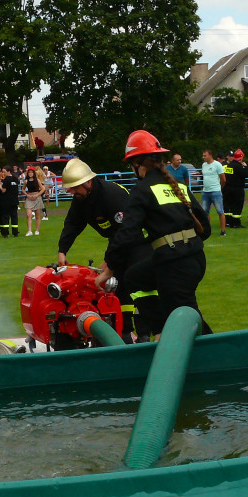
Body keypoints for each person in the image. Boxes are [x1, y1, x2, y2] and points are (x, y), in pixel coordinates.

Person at [99, 130, 212, 335]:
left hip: (175, 265)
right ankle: (160, 330)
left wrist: (109, 267)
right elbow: (205, 227)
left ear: (137, 163)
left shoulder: (142, 189)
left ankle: (220, 357)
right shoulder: (177, 186)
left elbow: (127, 233)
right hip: (194, 259)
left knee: (185, 321)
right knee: (135, 277)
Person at [57, 157, 156, 342]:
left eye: (74, 187)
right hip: (119, 241)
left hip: (140, 242)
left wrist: (109, 262)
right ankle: (125, 331)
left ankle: (144, 335)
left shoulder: (112, 195)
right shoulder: (81, 198)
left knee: (139, 288)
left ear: (87, 182)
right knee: (118, 288)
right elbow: (72, 224)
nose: (71, 192)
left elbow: (125, 233)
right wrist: (62, 250)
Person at [222, 148, 248, 228]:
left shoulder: (229, 165)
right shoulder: (239, 166)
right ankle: (236, 223)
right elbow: (246, 174)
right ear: (241, 157)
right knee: (238, 206)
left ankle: (230, 222)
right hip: (237, 189)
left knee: (230, 206)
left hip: (228, 188)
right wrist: (246, 167)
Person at [200, 148, 226, 235]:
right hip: (205, 191)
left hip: (215, 191)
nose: (203, 157)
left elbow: (223, 179)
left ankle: (223, 230)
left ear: (210, 155)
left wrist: (219, 187)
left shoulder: (217, 165)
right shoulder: (204, 165)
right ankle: (207, 230)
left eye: (205, 155)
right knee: (205, 212)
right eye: (203, 155)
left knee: (220, 211)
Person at [23, 166, 45, 236]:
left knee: (37, 215)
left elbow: (42, 189)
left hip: (37, 197)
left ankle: (37, 230)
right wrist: (27, 195)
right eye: (29, 172)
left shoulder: (37, 180)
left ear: (34, 173)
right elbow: (23, 189)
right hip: (29, 197)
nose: (30, 174)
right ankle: (29, 231)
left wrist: (37, 195)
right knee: (28, 214)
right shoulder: (26, 181)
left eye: (31, 172)